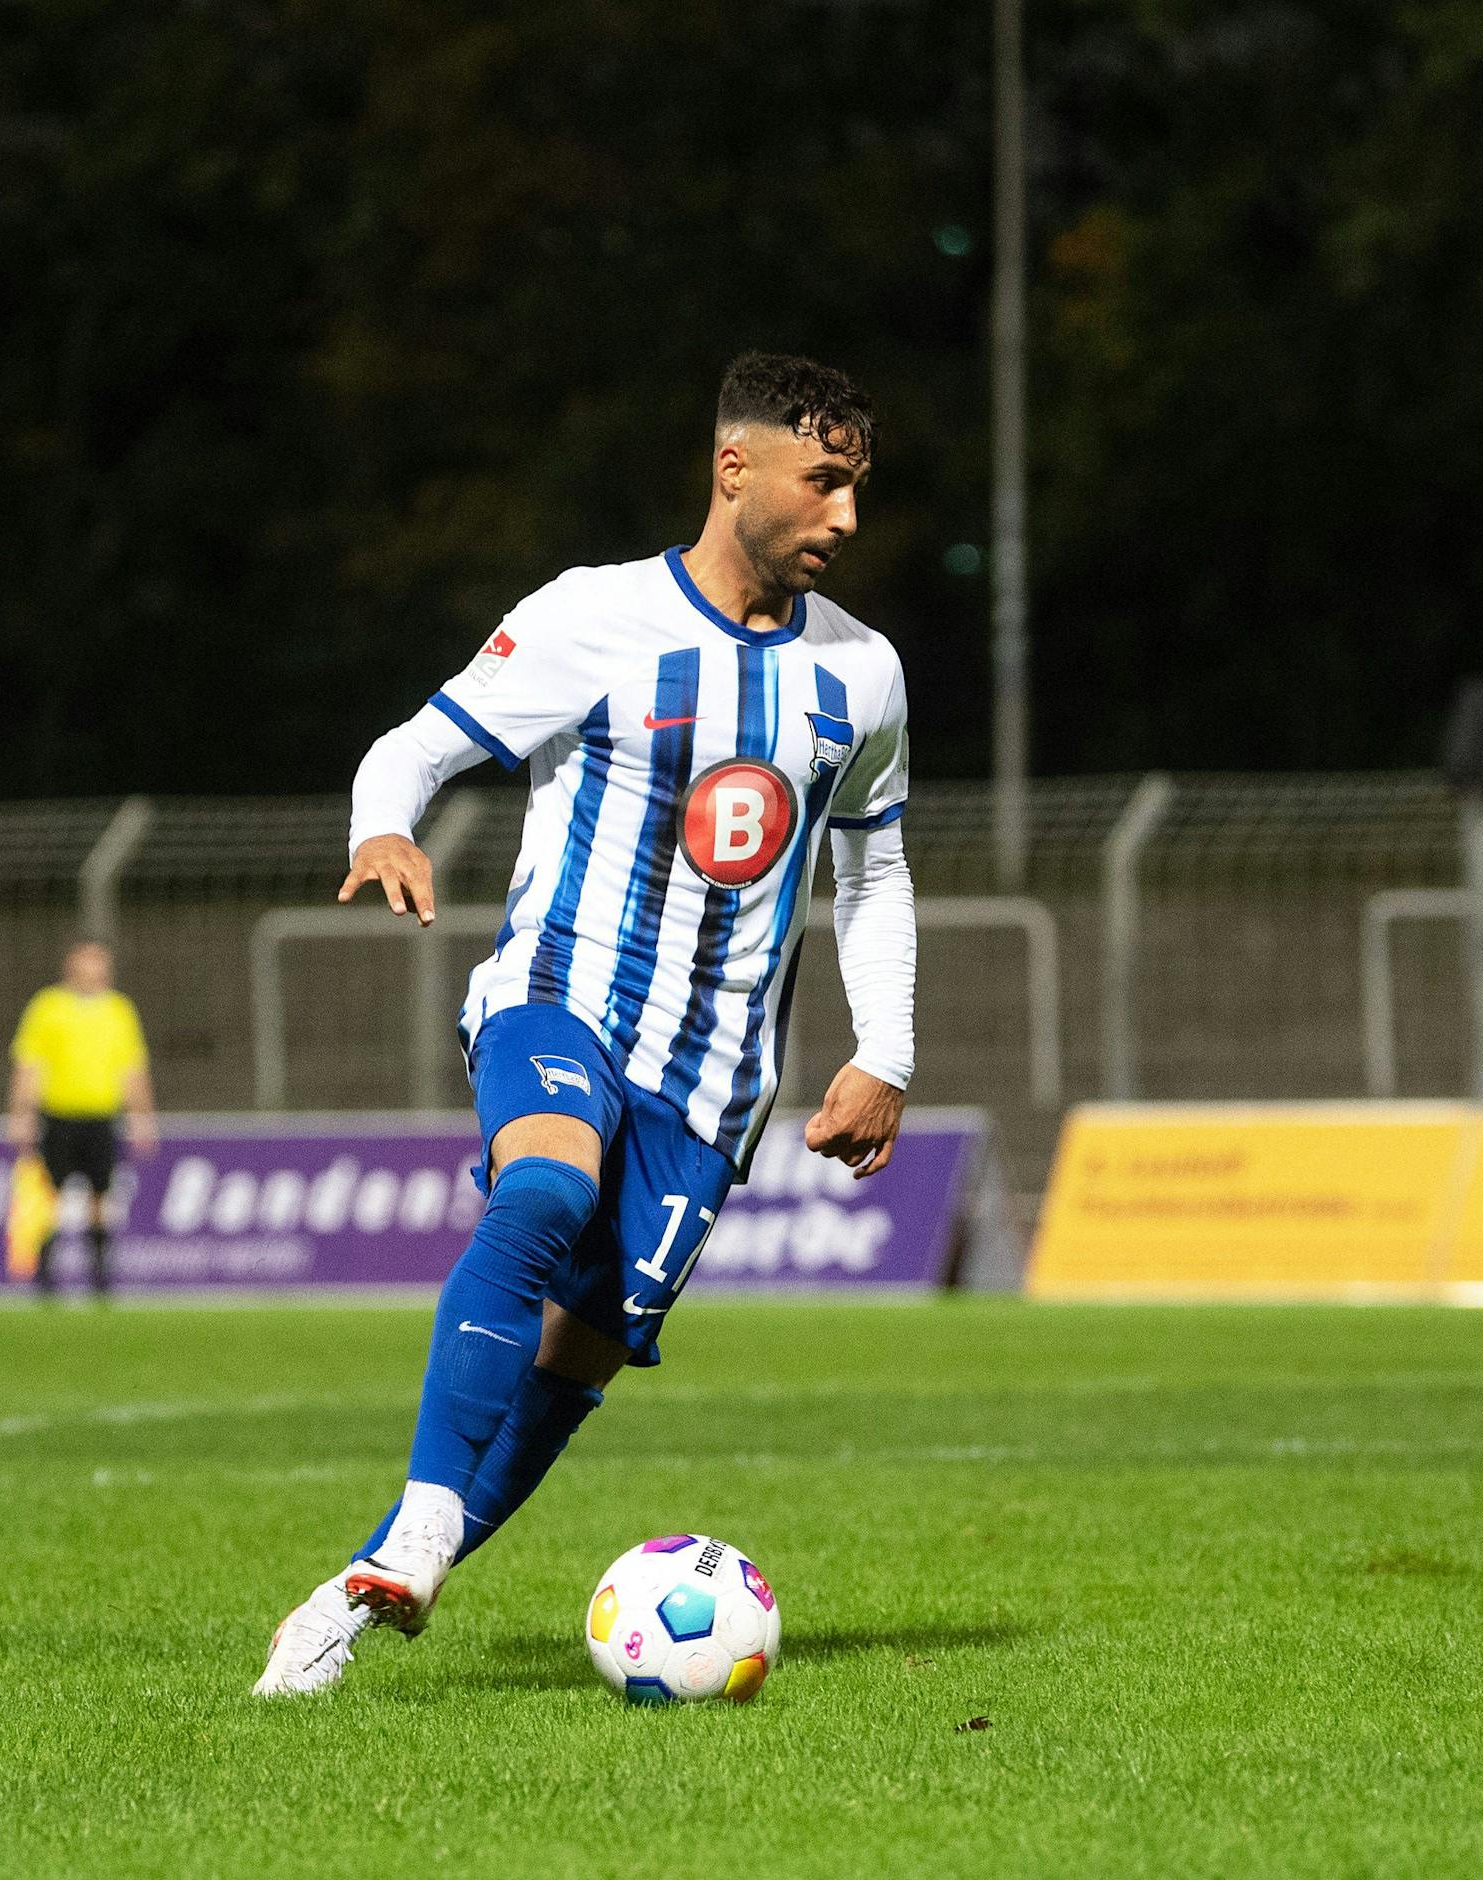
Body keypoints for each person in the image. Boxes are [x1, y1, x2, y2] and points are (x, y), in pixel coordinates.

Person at [256, 351, 917, 1696]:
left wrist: (883, 1048)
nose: (847, 516)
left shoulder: (865, 676)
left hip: (718, 1075)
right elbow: (417, 743)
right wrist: (382, 825)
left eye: (858, 486)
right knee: (545, 1183)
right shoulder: (594, 617)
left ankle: (362, 1587)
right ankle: (431, 1515)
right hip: (560, 993)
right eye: (825, 481)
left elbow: (877, 865)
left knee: (579, 1355)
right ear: (736, 467)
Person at [6, 940, 157, 1298]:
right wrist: (21, 1113)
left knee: (101, 1196)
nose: (93, 973)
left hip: (102, 1117)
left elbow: (132, 1068)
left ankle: (100, 1276)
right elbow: (30, 1064)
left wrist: (143, 1118)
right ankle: (46, 1276)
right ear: (71, 968)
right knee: (48, 1193)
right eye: (86, 965)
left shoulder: (119, 1010)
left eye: (99, 966)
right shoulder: (48, 1007)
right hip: (57, 1116)